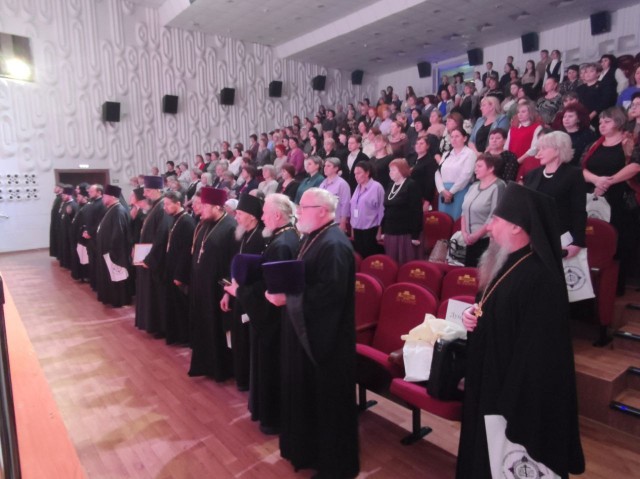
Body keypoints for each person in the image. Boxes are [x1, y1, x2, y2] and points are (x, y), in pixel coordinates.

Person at [457, 182, 585, 479]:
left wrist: (509, 405)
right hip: (486, 379)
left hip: (508, 393)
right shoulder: (504, 261)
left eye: (496, 220)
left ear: (517, 227)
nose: (489, 227)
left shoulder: (541, 277)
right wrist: (471, 316)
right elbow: (488, 306)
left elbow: (538, 354)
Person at [265, 188, 359, 478]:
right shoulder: (312, 237)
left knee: (327, 404)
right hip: (307, 334)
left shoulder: (334, 244)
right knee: (307, 396)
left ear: (321, 210)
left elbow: (330, 296)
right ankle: (306, 451)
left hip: (327, 341)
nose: (298, 212)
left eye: (303, 207)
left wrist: (288, 299)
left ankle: (333, 466)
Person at [230, 194, 300, 435]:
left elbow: (272, 287)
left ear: (277, 215)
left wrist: (241, 291)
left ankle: (272, 418)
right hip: (274, 317)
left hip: (273, 319)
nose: (262, 217)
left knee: (271, 368)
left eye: (265, 213)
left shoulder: (282, 243)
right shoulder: (285, 236)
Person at [582, 107, 640, 296]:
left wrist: (607, 182)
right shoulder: (594, 145)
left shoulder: (631, 142)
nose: (602, 125)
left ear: (619, 122)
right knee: (594, 238)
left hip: (620, 201)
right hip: (594, 199)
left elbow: (635, 166)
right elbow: (581, 168)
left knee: (618, 243)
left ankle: (613, 288)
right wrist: (596, 180)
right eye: (600, 122)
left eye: (607, 121)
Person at [188, 187, 237, 380]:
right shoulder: (204, 224)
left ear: (217, 206)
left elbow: (234, 262)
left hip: (217, 290)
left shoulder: (231, 227)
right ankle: (204, 365)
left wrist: (227, 291)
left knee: (216, 329)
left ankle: (220, 370)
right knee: (202, 327)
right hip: (201, 287)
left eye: (205, 205)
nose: (201, 209)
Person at [221, 194, 265, 392]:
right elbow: (234, 267)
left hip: (252, 299)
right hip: (238, 295)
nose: (236, 217)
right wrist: (227, 293)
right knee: (239, 338)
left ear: (252, 216)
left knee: (248, 341)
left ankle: (249, 381)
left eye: (239, 213)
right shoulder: (243, 235)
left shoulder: (262, 238)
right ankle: (241, 377)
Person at [525, 131, 587, 261]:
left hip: (561, 237)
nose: (539, 153)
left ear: (558, 149)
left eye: (543, 148)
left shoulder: (573, 175)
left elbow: (578, 211)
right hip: (533, 237)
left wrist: (578, 242)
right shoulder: (532, 175)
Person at [134, 175, 172, 338]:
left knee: (156, 295)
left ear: (158, 190)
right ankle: (151, 324)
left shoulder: (162, 207)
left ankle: (159, 327)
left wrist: (150, 259)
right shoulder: (155, 207)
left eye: (148, 191)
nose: (145, 194)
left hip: (155, 260)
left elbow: (161, 237)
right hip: (147, 257)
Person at [163, 191, 196, 346]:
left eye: (168, 204)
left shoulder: (187, 222)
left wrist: (179, 275)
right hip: (172, 268)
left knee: (181, 307)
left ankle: (185, 337)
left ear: (178, 203)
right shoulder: (176, 219)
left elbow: (186, 251)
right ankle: (176, 335)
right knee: (174, 305)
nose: (165, 207)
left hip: (180, 273)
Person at [460, 155, 506, 267]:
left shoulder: (498, 186)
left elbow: (494, 215)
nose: (475, 169)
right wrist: (464, 233)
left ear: (491, 168)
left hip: (486, 240)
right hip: (469, 239)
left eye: (479, 166)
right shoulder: (473, 186)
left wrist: (477, 235)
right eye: (475, 166)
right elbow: (464, 211)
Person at [95, 184, 132, 308]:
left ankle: (119, 300)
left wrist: (112, 251)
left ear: (112, 197)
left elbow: (119, 234)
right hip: (107, 251)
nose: (103, 198)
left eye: (105, 196)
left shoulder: (118, 211)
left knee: (117, 278)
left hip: (114, 253)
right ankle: (111, 298)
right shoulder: (112, 209)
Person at [382, 158, 423, 264]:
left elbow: (416, 211)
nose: (390, 172)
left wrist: (415, 235)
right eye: (390, 170)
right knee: (391, 263)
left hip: (405, 233)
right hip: (390, 231)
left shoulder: (411, 185)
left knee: (405, 262)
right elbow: (386, 209)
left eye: (393, 170)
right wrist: (383, 230)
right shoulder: (390, 185)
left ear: (402, 170)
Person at [435, 127, 477, 221]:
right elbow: (437, 172)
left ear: (464, 138)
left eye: (457, 136)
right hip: (444, 191)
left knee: (456, 219)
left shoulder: (469, 154)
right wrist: (442, 190)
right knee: (443, 220)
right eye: (452, 137)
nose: (454, 139)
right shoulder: (446, 154)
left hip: (460, 191)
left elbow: (466, 175)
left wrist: (451, 192)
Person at [350, 162, 385, 258]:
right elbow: (353, 208)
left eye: (359, 173)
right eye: (355, 174)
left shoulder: (377, 187)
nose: (356, 176)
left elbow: (381, 210)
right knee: (359, 256)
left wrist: (380, 230)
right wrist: (353, 226)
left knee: (369, 256)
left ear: (367, 173)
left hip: (371, 228)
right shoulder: (357, 187)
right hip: (357, 228)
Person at [505, 100, 543, 181]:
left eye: (523, 112)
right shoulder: (513, 128)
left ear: (530, 113)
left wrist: (518, 161)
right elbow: (506, 147)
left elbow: (534, 148)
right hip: (511, 164)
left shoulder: (537, 127)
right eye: (518, 112)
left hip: (525, 164)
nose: (520, 114)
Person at [82, 184, 107, 292]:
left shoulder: (102, 204)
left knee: (97, 262)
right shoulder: (91, 203)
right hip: (90, 237)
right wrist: (85, 230)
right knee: (92, 261)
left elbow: (100, 222)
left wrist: (91, 233)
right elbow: (88, 220)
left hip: (96, 238)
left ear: (99, 192)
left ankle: (99, 285)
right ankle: (94, 283)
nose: (89, 193)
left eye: (92, 191)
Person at [320, 157, 351, 232]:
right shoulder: (323, 183)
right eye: (325, 166)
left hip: (336, 222)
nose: (325, 168)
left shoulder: (342, 184)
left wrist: (343, 223)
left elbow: (345, 204)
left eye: (328, 166)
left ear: (336, 168)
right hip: (323, 221)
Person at [411, 135, 440, 210]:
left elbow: (430, 183)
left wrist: (427, 201)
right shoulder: (413, 160)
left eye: (421, 143)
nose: (418, 145)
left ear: (427, 146)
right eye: (417, 143)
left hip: (422, 198)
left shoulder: (430, 162)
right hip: (412, 196)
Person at [57, 185, 78, 270]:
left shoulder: (74, 205)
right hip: (63, 231)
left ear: (69, 195)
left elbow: (75, 220)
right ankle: (66, 263)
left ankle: (71, 265)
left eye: (64, 195)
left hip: (70, 232)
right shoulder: (65, 204)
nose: (62, 196)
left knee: (70, 248)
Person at [49, 183, 64, 258]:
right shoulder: (57, 198)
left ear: (61, 189)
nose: (54, 188)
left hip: (58, 223)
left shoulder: (61, 198)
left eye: (56, 187)